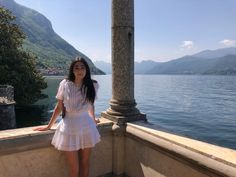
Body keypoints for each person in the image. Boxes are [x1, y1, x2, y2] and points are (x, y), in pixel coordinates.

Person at [34, 57, 101, 177]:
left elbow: (90, 105)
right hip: (69, 127)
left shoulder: (93, 85)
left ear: (86, 70)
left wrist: (93, 119)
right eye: (76, 67)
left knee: (85, 163)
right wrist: (49, 126)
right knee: (74, 169)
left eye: (82, 67)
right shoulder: (65, 84)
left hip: (87, 127)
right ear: (72, 70)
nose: (80, 70)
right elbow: (59, 107)